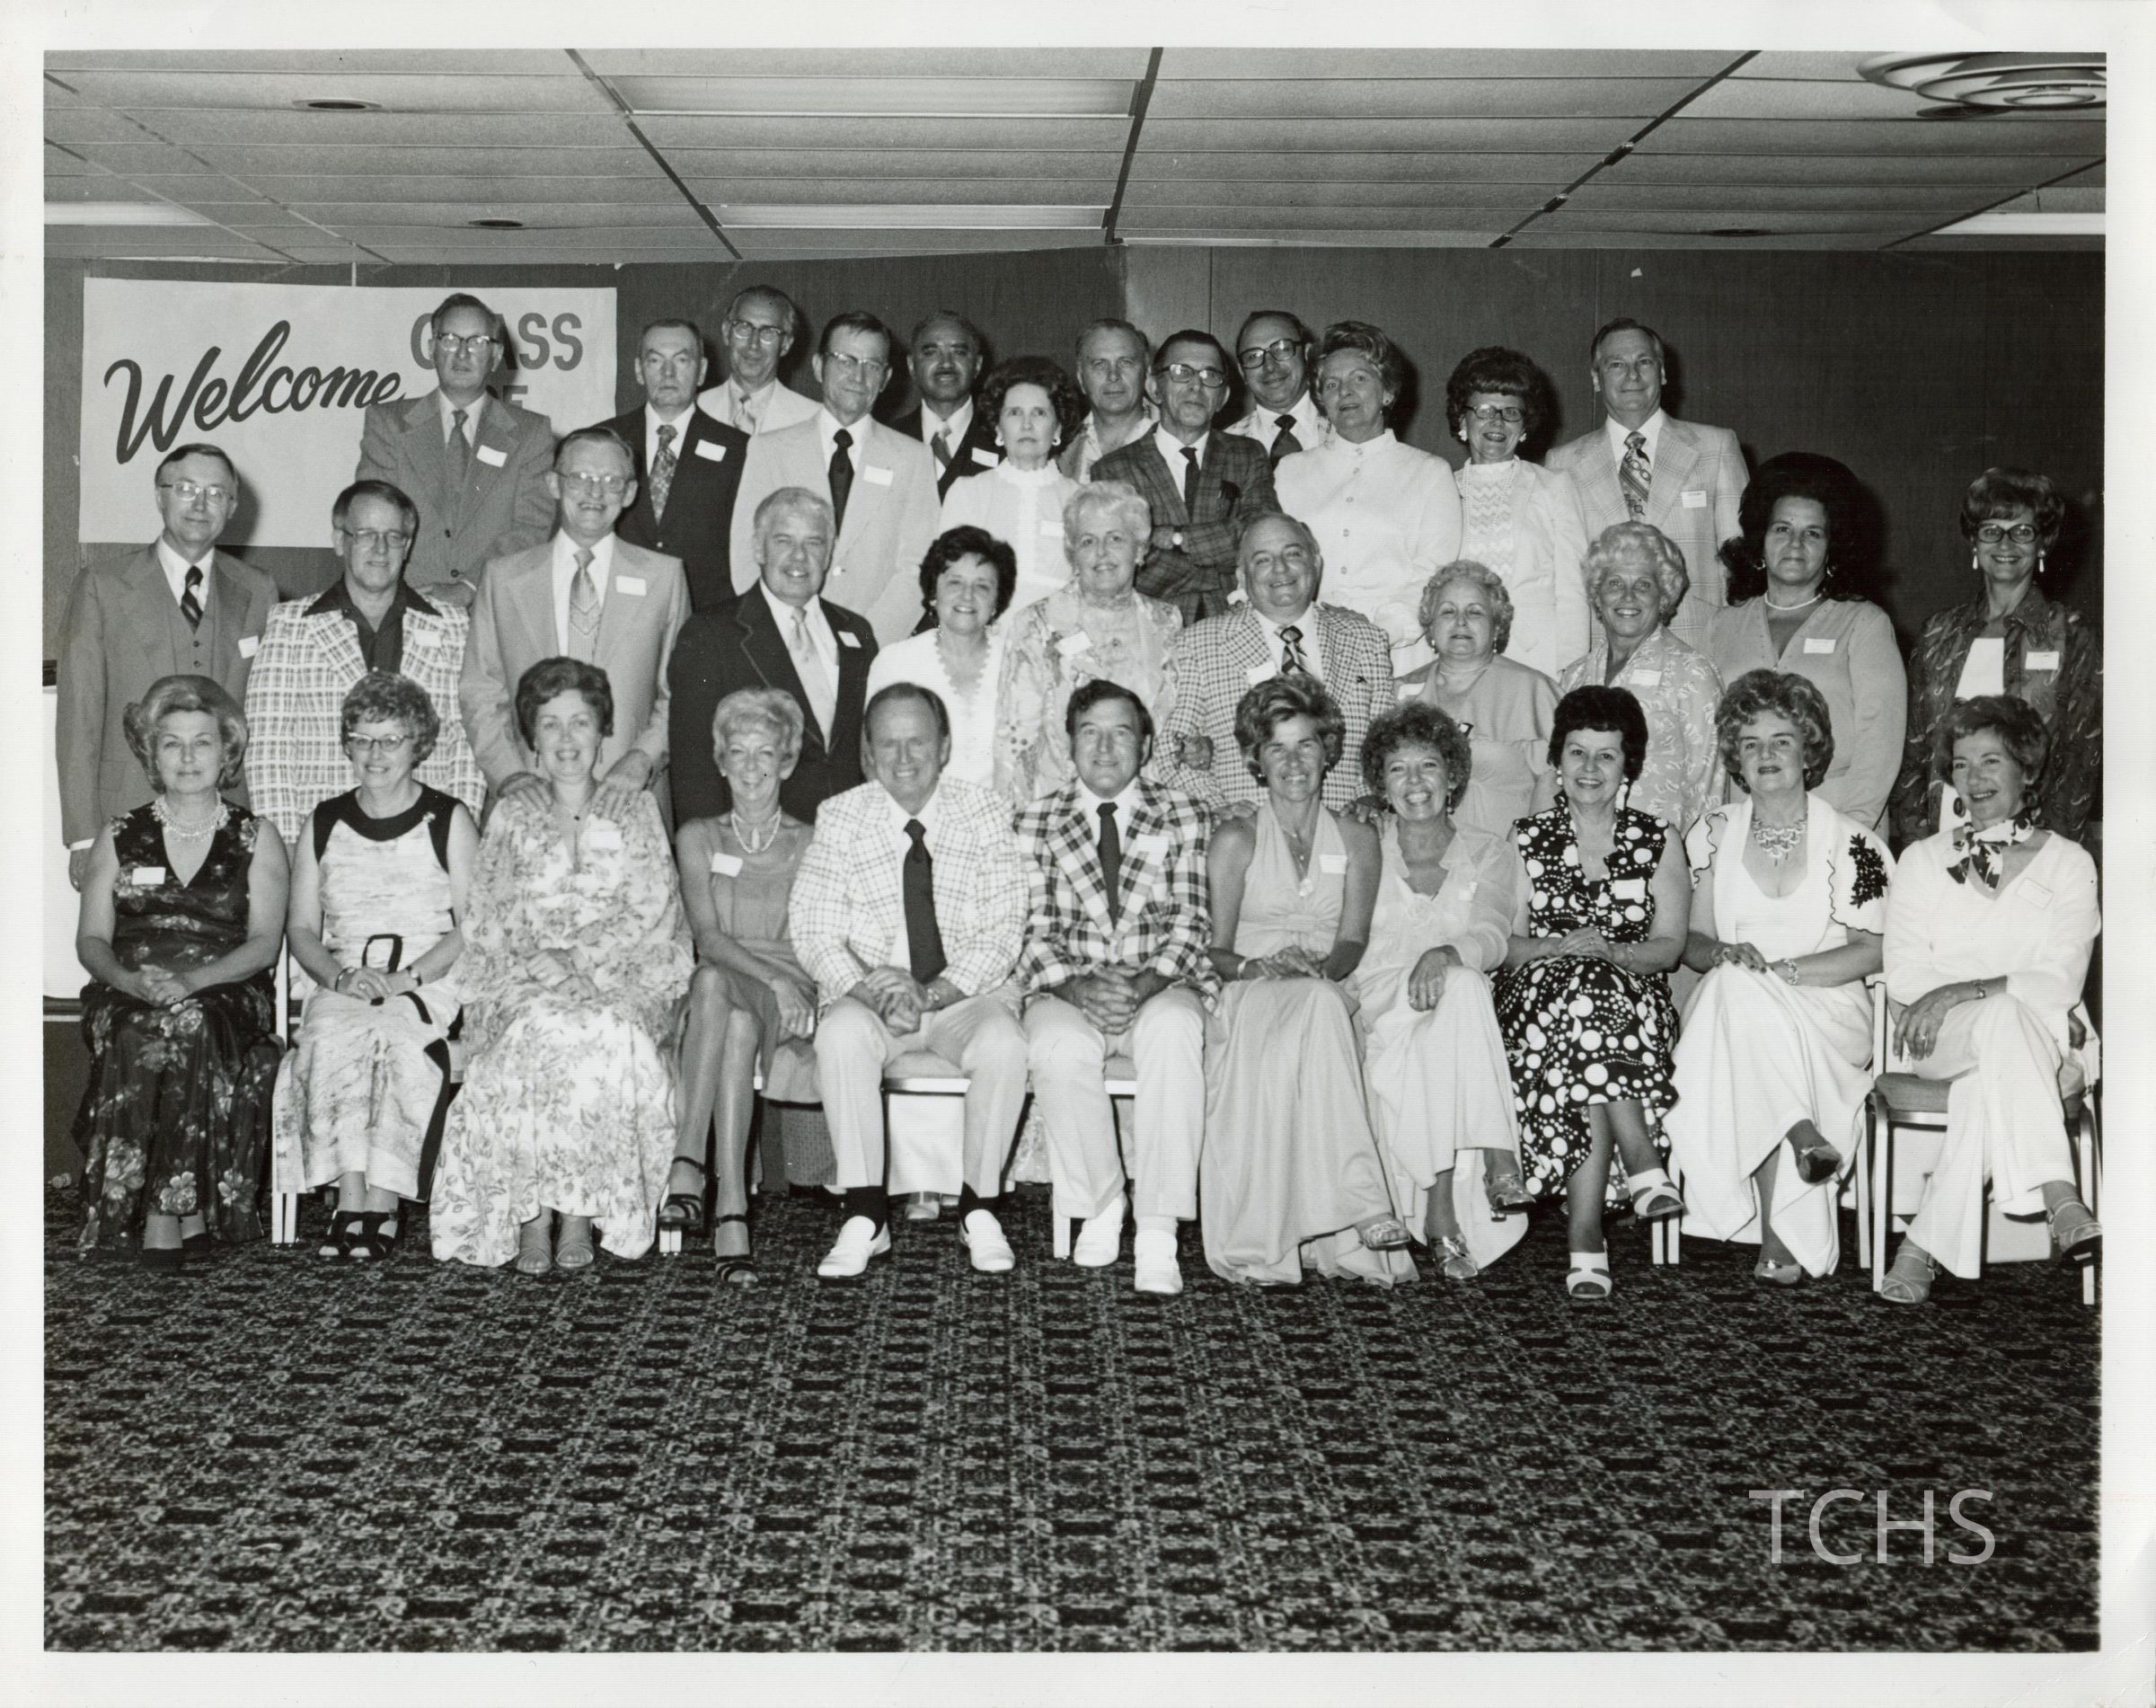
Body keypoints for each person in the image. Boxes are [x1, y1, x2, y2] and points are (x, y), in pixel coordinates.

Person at [430, 659, 694, 1272]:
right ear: (532, 737)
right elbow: (488, 912)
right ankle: (532, 1214)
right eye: (551, 724)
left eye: (580, 722)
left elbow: (651, 907)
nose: (567, 738)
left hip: (623, 974)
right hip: (523, 977)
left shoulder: (636, 808)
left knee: (604, 1029)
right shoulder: (511, 813)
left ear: (603, 731)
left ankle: (576, 1211)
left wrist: (580, 959)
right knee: (537, 1027)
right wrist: (541, 963)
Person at [790, 684, 1032, 1279]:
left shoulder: (985, 812)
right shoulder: (841, 815)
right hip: (874, 999)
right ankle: (865, 1214)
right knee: (840, 1034)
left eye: (917, 742)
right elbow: (815, 931)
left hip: (961, 996)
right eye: (887, 744)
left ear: (944, 746)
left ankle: (979, 1208)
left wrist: (931, 994)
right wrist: (876, 991)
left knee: (1004, 1043)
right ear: (868, 753)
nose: (903, 758)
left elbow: (1003, 931)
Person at [1664, 672, 1891, 1283]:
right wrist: (1723, 952)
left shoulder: (1854, 843)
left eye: (1781, 741)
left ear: (1808, 750)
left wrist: (1785, 973)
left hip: (1827, 1006)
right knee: (1738, 993)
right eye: (1751, 743)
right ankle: (1798, 1146)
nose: (1765, 754)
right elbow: (1692, 943)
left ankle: (1787, 1186)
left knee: (1744, 1007)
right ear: (1735, 758)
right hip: (1737, 1002)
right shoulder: (1712, 833)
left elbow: (1873, 951)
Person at [1878, 695, 2102, 1302]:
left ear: (2027, 770)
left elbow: (2062, 977)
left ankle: (1919, 1246)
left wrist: (1964, 987)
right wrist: (1972, 997)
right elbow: (1905, 973)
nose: (1973, 778)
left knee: (1990, 1071)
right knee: (2003, 1017)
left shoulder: (2070, 863)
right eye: (1960, 764)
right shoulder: (1922, 860)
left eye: (1990, 761)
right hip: (1938, 1036)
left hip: (2040, 1038)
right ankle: (2059, 1192)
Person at [1200, 676, 1415, 1288]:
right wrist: (1258, 967)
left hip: (1326, 984)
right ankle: (1365, 1202)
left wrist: (1321, 970)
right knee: (1318, 1008)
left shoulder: (1357, 836)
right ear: (1256, 760)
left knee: (1321, 1003)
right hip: (1253, 992)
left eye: (1306, 745)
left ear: (1328, 752)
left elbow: (1352, 940)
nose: (1293, 763)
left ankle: (1332, 1215)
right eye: (1277, 748)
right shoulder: (1236, 837)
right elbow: (1215, 950)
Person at [72, 675, 288, 1270]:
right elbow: (90, 940)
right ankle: (171, 1210)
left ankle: (163, 1212)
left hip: (226, 988)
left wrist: (191, 982)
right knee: (140, 1027)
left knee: (189, 1021)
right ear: (152, 753)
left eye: (203, 742)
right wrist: (130, 981)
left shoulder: (257, 836)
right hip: (129, 987)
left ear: (227, 752)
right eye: (172, 743)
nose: (188, 757)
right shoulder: (119, 834)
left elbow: (264, 945)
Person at [1014, 680, 1217, 1297]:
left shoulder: (1183, 813)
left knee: (1175, 1031)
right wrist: (1080, 989)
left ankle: (1158, 1227)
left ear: (1146, 745)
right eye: (1090, 733)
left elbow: (1192, 922)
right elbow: (1030, 930)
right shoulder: (1033, 820)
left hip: (1160, 982)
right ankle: (1103, 1203)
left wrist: (1145, 984)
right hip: (1069, 987)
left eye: (1121, 733)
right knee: (1055, 1047)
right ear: (1068, 743)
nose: (1105, 749)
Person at [271, 673, 479, 1261]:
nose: (375, 754)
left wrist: (408, 978)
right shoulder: (325, 820)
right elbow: (302, 928)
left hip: (428, 977)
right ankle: (350, 1199)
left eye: (390, 740)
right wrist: (338, 977)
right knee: (333, 1036)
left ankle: (383, 1201)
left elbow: (473, 925)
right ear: (347, 744)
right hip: (346, 976)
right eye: (362, 739)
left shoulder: (448, 818)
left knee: (393, 1037)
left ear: (418, 743)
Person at [1495, 686, 1691, 1299]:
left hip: (1634, 1010)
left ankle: (1585, 1237)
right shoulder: (1525, 838)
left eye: (1606, 755)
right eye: (1577, 752)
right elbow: (1505, 944)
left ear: (1628, 764)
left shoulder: (1659, 838)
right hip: (1536, 1008)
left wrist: (1614, 954)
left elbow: (1670, 946)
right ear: (1558, 759)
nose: (1589, 768)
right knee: (1585, 993)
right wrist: (1563, 948)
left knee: (1593, 1003)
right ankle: (1642, 1163)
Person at [1353, 703, 1530, 1281]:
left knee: (1462, 989)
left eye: (1428, 765)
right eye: (1398, 769)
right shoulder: (1363, 844)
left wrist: (1445, 954)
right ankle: (1500, 1159)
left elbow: (1493, 934)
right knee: (1465, 992)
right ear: (1381, 783)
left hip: (1454, 1013)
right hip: (1382, 1001)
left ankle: (1440, 1213)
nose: (1414, 782)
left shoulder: (1489, 850)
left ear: (1452, 776)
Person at [58, 443, 277, 890]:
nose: (200, 504)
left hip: (230, 815)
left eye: (216, 493)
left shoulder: (259, 590)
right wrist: (82, 835)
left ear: (232, 507)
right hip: (124, 812)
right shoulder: (101, 585)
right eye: (185, 489)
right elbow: (78, 719)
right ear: (160, 496)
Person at [665, 688, 821, 1282]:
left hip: (789, 992)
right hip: (732, 988)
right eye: (738, 752)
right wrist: (770, 979)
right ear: (721, 760)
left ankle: (688, 1165)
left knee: (714, 988)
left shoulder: (811, 840)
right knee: (728, 1013)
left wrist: (784, 983)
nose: (751, 767)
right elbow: (707, 936)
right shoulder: (698, 835)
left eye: (766, 753)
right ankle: (732, 1213)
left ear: (786, 761)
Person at [459, 427, 691, 819]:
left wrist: (643, 759)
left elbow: (681, 692)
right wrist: (510, 775)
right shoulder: (503, 578)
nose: (595, 492)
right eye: (580, 477)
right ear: (554, 484)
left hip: (629, 796)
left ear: (630, 493)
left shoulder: (664, 578)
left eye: (611, 481)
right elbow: (480, 691)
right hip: (528, 799)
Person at [244, 478, 485, 848]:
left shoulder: (452, 625)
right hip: (321, 838)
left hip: (427, 838)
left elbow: (467, 742)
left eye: (393, 536)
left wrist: (456, 837)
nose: (380, 548)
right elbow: (268, 748)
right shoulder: (290, 625)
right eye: (366, 535)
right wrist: (287, 848)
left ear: (408, 546)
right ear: (340, 541)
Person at [1888, 467, 2101, 848]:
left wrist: (2043, 855)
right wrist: (1918, 848)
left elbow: (2080, 763)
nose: (2005, 543)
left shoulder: (2071, 634)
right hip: (1941, 838)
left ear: (2042, 543)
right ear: (1974, 541)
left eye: (2022, 531)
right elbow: (1913, 754)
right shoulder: (1938, 632)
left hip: (2032, 842)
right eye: (1991, 530)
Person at [1708, 453, 1904, 834]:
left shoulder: (1865, 624)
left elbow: (1880, 742)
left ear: (1832, 548)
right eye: (1782, 529)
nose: (1795, 543)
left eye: (1813, 533)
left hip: (1841, 818)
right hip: (1743, 823)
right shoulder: (1722, 625)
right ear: (1760, 539)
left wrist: (1850, 832)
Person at [727, 311, 941, 643]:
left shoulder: (913, 459)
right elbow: (747, 553)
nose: (858, 376)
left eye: (871, 365)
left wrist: (864, 643)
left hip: (872, 645)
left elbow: (918, 568)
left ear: (885, 378)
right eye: (845, 360)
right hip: (782, 641)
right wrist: (784, 634)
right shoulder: (769, 450)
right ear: (818, 366)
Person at [1162, 512, 1395, 815]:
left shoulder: (1367, 641)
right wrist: (1222, 811)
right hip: (1247, 828)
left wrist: (1368, 801)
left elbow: (1387, 744)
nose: (1280, 568)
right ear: (1242, 576)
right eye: (1263, 560)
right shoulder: (1198, 643)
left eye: (1293, 554)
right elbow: (1172, 748)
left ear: (1316, 563)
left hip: (1345, 826)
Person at [669, 488, 878, 825]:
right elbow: (694, 766)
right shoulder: (710, 634)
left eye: (814, 543)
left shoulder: (857, 633)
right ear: (758, 548)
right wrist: (711, 845)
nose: (799, 557)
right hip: (759, 839)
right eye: (783, 541)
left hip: (850, 834)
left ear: (829, 554)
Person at [1545, 317, 1747, 649]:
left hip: (1700, 642)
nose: (1632, 375)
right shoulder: (1562, 463)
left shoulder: (1716, 447)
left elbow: (1739, 565)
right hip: (1602, 647)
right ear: (1596, 378)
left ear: (1663, 372)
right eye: (1616, 364)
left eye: (1644, 362)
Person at [1277, 321, 1462, 672]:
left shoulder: (1429, 472)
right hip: (1308, 650)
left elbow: (1434, 572)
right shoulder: (1290, 471)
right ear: (1321, 400)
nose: (1345, 392)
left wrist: (1378, 633)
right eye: (1332, 384)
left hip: (1398, 654)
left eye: (1359, 378)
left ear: (1387, 391)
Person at [994, 481, 1189, 807]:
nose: (1102, 553)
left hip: (1148, 808)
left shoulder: (1167, 621)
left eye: (1115, 538)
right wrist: (1020, 823)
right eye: (1088, 541)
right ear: (1072, 554)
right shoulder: (1035, 624)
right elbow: (1014, 744)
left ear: (1139, 550)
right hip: (1060, 809)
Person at [356, 292, 555, 606]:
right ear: (431, 348)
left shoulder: (532, 433)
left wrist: (469, 588)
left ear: (496, 355)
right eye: (449, 339)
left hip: (495, 605)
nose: (462, 353)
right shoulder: (388, 424)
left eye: (477, 342)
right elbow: (372, 520)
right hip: (404, 603)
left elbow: (531, 530)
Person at [1092, 330, 1278, 625]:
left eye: (1210, 375)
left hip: (1236, 629)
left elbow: (1263, 538)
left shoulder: (1247, 455)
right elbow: (1125, 568)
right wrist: (1220, 562)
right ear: (1154, 387)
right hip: (1149, 630)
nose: (1196, 386)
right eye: (1182, 372)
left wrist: (1173, 538)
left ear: (1223, 397)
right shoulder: (1112, 471)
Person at [1556, 522, 1724, 836]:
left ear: (1664, 596)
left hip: (1661, 853)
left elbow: (1708, 788)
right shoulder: (1575, 676)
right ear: (1598, 595)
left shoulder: (1692, 673)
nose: (1628, 596)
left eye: (1643, 585)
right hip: (1580, 848)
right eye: (1615, 583)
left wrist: (1693, 859)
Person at [1444, 345, 1591, 677]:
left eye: (1511, 412)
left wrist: (1571, 671)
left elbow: (1574, 592)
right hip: (1461, 660)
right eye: (1484, 409)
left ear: (1523, 426)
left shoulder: (1554, 487)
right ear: (1463, 418)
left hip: (1538, 662)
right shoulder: (1441, 489)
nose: (1497, 422)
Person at [1395, 562, 1559, 840]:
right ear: (1430, 627)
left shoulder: (1533, 689)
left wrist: (1525, 848)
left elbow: (1554, 782)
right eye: (1448, 611)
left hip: (1509, 852)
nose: (1461, 621)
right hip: (1418, 851)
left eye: (1475, 612)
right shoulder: (1401, 691)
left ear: (1497, 626)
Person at [598, 317, 752, 613]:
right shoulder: (604, 441)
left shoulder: (739, 450)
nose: (668, 373)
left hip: (707, 616)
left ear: (702, 371)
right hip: (619, 610)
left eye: (682, 360)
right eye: (655, 360)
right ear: (639, 370)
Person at [864, 527, 1016, 790]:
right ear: (934, 593)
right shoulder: (894, 662)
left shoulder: (1019, 663)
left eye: (982, 586)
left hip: (1002, 810)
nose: (967, 595)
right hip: (917, 809)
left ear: (996, 603)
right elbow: (871, 760)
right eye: (955, 582)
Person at [938, 356, 1086, 613]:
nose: (1027, 425)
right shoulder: (968, 492)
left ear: (1058, 428)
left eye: (1039, 413)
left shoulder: (1081, 500)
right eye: (1014, 413)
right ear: (998, 427)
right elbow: (948, 581)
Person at [886, 311, 1000, 499]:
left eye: (959, 352)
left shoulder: (1004, 439)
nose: (946, 363)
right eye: (931, 353)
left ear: (978, 365)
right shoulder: (887, 440)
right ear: (912, 365)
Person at [697, 286, 822, 437]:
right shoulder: (693, 409)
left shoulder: (814, 420)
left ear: (786, 344)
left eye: (768, 332)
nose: (753, 345)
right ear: (726, 332)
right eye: (744, 327)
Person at [1057, 319, 1156, 482]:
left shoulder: (1171, 439)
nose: (1113, 375)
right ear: (1081, 378)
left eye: (1126, 362)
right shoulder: (1060, 448)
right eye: (1099, 364)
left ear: (1147, 373)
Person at [1226, 310, 1326, 465]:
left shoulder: (1349, 427)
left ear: (1307, 355)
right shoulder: (1222, 451)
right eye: (1253, 356)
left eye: (1282, 349)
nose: (1270, 366)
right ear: (1242, 372)